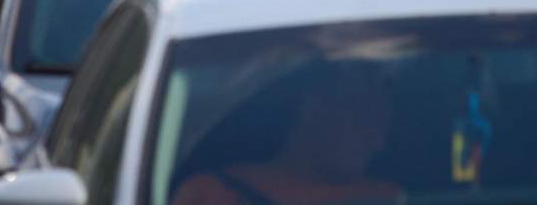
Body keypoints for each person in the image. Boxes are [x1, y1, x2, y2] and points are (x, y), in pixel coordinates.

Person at [172, 66, 403, 205]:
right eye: (364, 124)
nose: (376, 143)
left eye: (382, 129)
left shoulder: (382, 197)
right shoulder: (210, 194)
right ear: (313, 110)